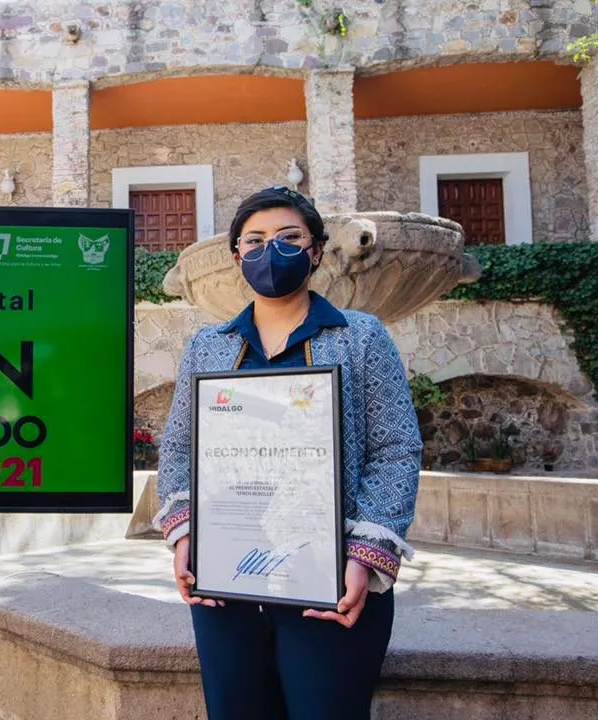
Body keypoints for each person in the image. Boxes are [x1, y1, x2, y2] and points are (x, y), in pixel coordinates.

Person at [153, 186, 422, 719]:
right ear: (237, 257)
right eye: (254, 241)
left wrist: (363, 558)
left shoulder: (361, 338)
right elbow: (181, 447)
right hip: (225, 586)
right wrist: (184, 535)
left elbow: (395, 449)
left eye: (288, 237)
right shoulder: (208, 346)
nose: (269, 250)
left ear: (316, 251)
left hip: (331, 582)